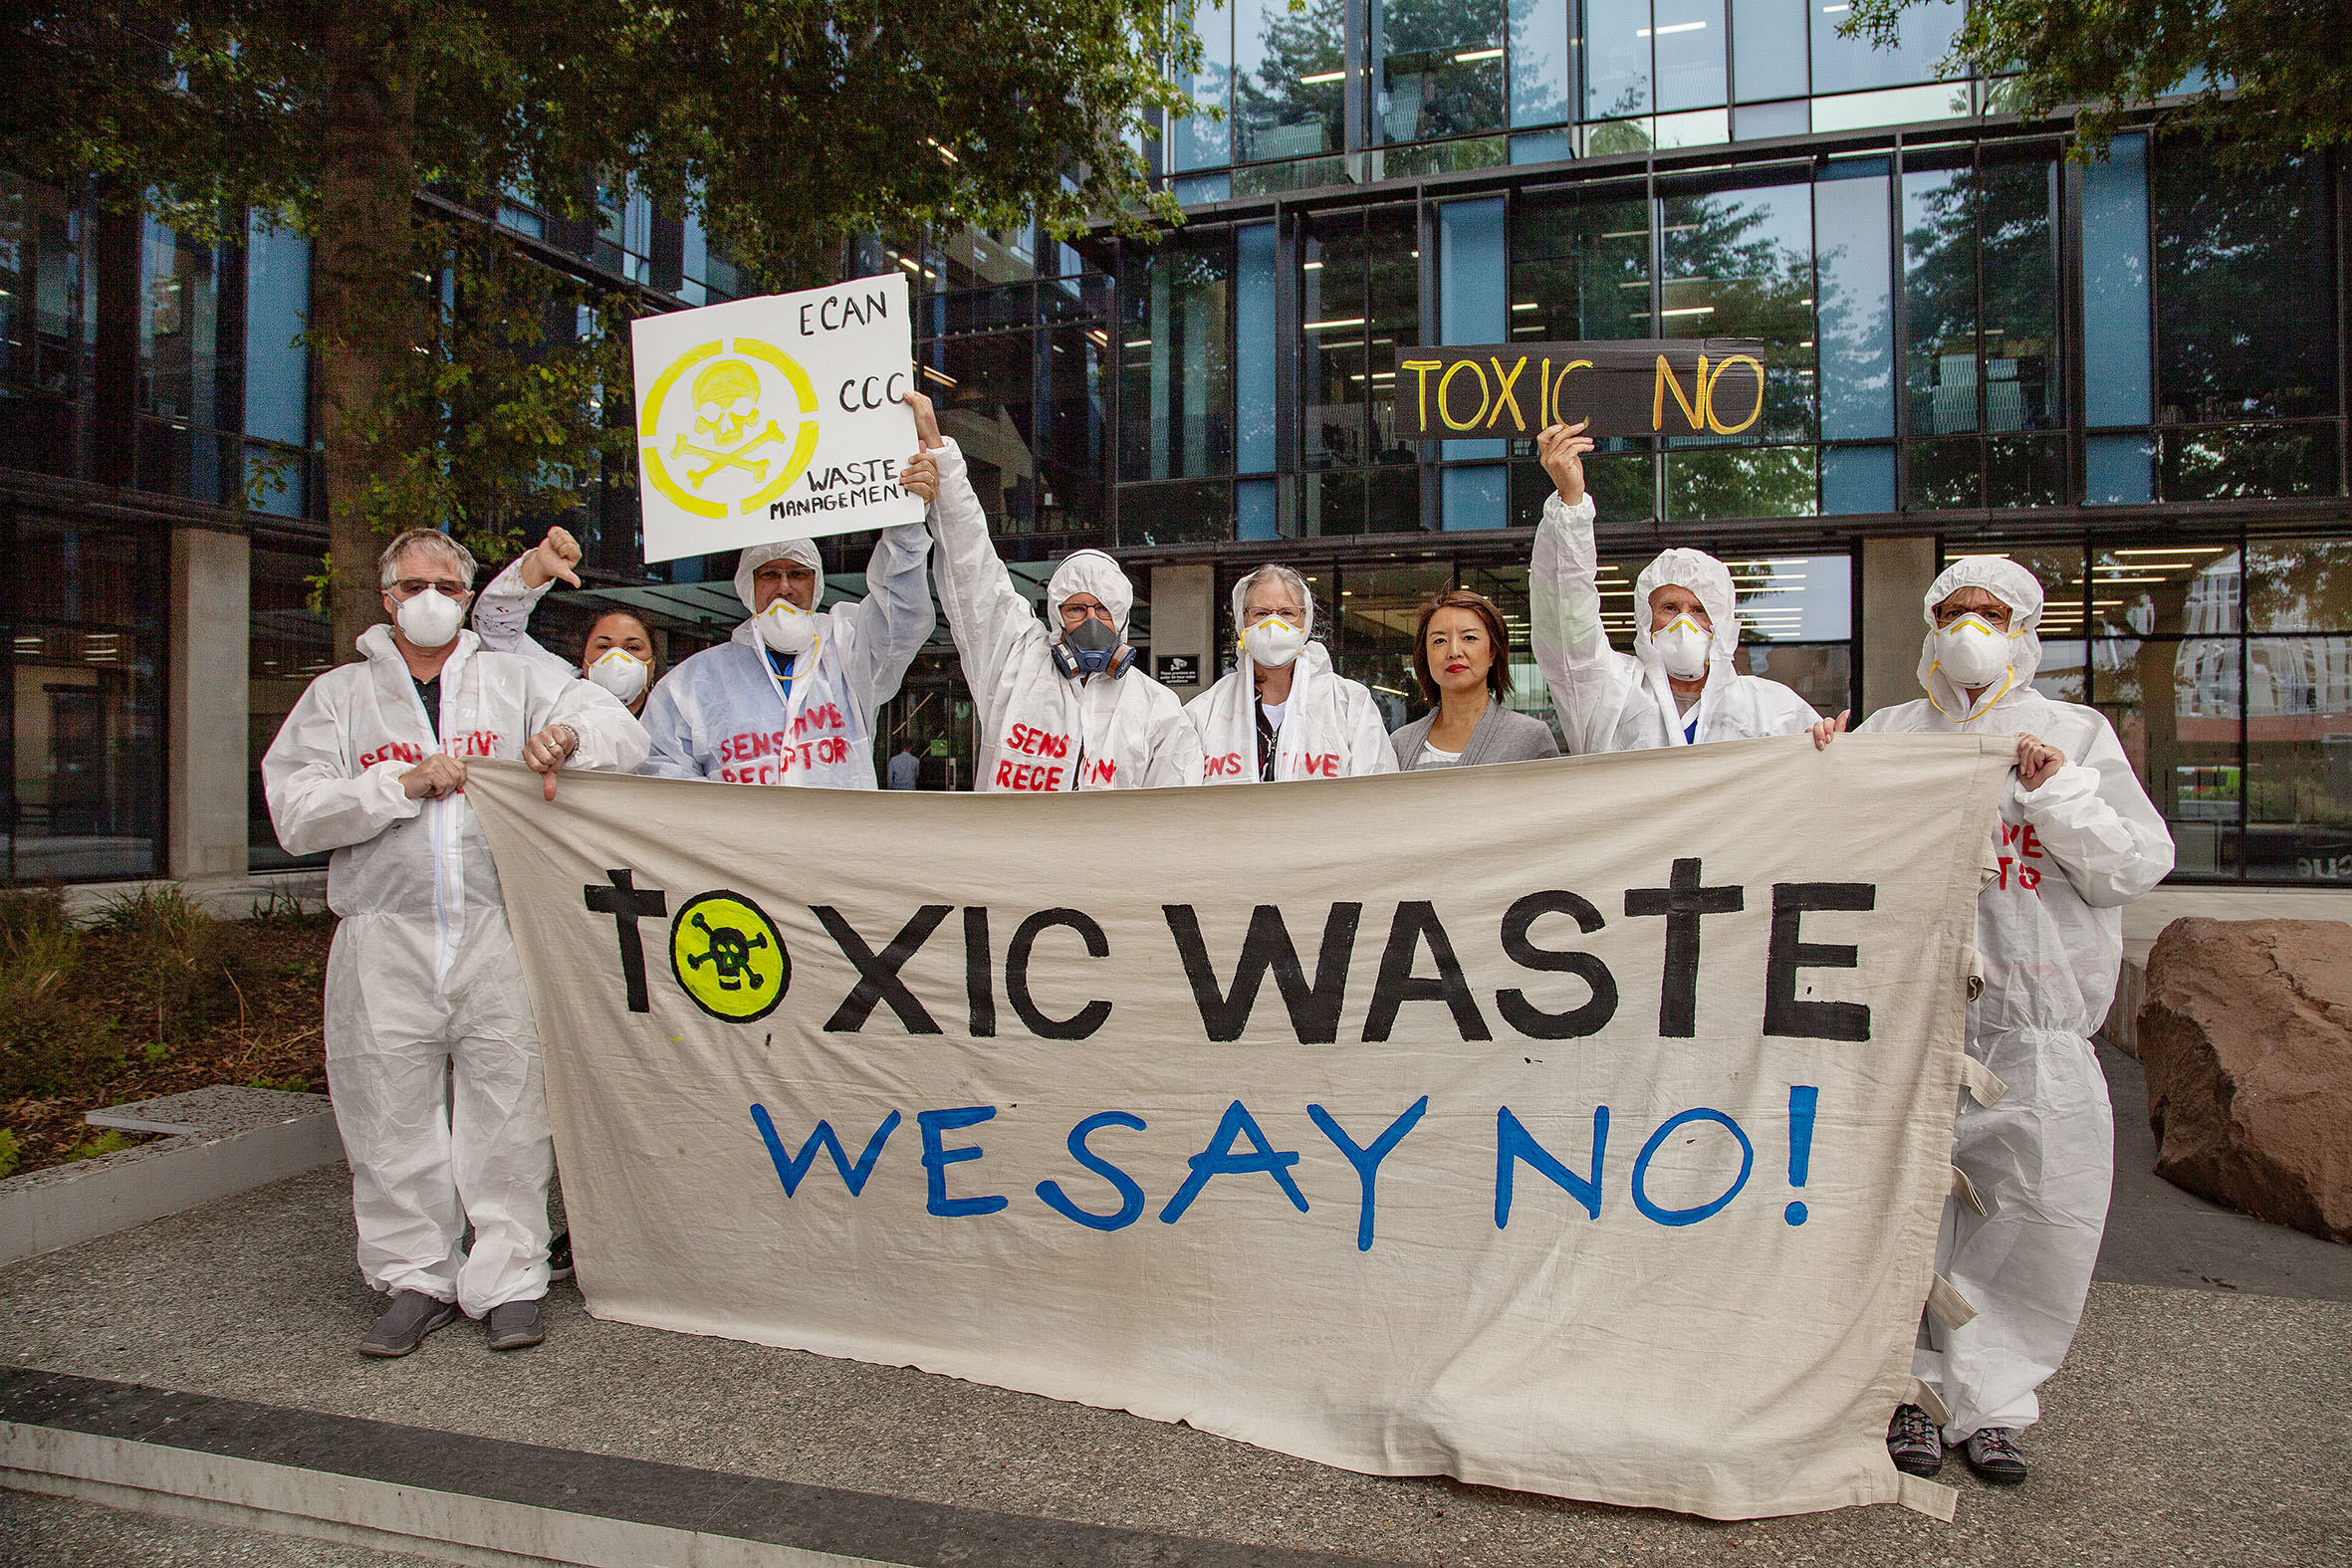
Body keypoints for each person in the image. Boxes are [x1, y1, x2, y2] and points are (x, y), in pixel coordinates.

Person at [263, 528, 648, 1358]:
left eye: (447, 582)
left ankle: (510, 1280)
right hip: (383, 934)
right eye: (414, 583)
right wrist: (395, 785)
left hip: (498, 929)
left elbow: (617, 726)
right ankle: (414, 1277)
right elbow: (294, 810)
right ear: (387, 595)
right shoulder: (338, 697)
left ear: (470, 596)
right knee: (387, 1109)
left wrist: (568, 739)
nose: (431, 596)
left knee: (508, 1107)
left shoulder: (514, 681)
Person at [1852, 557, 2173, 1485]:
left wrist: (2057, 793)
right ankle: (1909, 1397)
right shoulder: (1893, 732)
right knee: (1906, 1211)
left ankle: (1992, 1405)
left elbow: (2132, 864)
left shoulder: (2074, 734)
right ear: (1928, 623)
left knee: (2032, 1216)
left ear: (2024, 628)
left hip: (2038, 1028)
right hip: (1917, 1015)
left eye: (1991, 613)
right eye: (1955, 611)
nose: (1970, 629)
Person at [921, 392, 1203, 790]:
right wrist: (943, 462)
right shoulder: (1013, 664)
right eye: (1076, 609)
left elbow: (1174, 813)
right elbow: (973, 572)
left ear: (1121, 619)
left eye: (1103, 610)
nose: (1091, 622)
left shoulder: (1156, 708)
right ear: (1055, 616)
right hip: (1016, 852)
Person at [638, 439, 935, 786]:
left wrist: (905, 522)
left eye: (797, 574)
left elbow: (900, 613)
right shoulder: (694, 682)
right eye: (769, 574)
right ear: (748, 585)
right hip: (742, 841)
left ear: (816, 584)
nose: (784, 588)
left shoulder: (848, 652)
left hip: (836, 838)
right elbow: (662, 774)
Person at [1529, 420, 1835, 753]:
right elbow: (1565, 614)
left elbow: (1820, 774)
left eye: (1699, 610)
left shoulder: (1770, 707)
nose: (1683, 623)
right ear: (1647, 620)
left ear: (1719, 622)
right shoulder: (1609, 689)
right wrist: (1571, 504)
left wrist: (1825, 742)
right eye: (1669, 608)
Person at [1186, 564, 1397, 783]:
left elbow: (1378, 794)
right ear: (1242, 622)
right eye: (1261, 613)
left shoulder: (1349, 705)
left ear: (1305, 620)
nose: (1274, 624)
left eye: (1287, 613)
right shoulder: (1206, 711)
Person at [468, 525, 660, 717]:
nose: (617, 658)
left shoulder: (672, 715)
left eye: (633, 648)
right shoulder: (559, 688)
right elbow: (493, 626)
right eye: (603, 646)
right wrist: (538, 568)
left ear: (652, 664)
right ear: (584, 660)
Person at [1389, 588, 1561, 770]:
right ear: (1425, 655)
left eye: (1469, 638)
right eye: (1439, 641)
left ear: (1492, 653)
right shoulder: (1401, 744)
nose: (1454, 652)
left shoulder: (1529, 738)